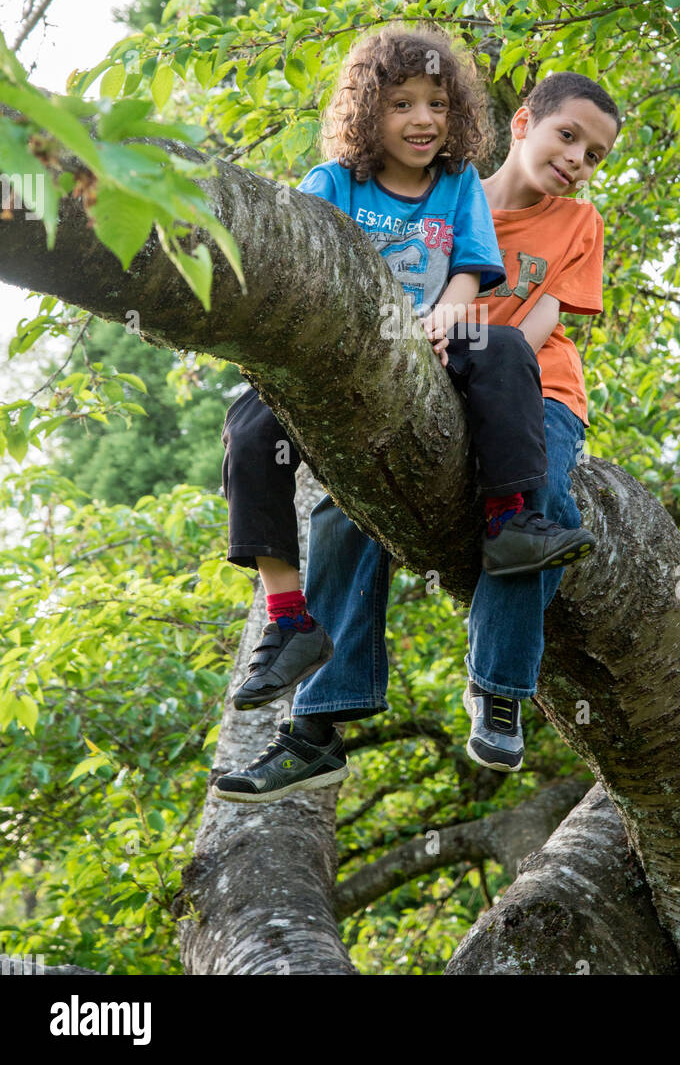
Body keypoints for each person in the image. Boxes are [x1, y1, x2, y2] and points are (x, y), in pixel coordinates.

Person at [214, 66, 620, 802]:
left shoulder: (576, 225)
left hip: (531, 390)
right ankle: (316, 729)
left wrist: (462, 367)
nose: (576, 160)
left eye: (594, 156)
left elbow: (535, 327)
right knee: (345, 511)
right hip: (415, 374)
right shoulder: (443, 193)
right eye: (568, 136)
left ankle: (497, 686)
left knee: (541, 506)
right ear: (522, 122)